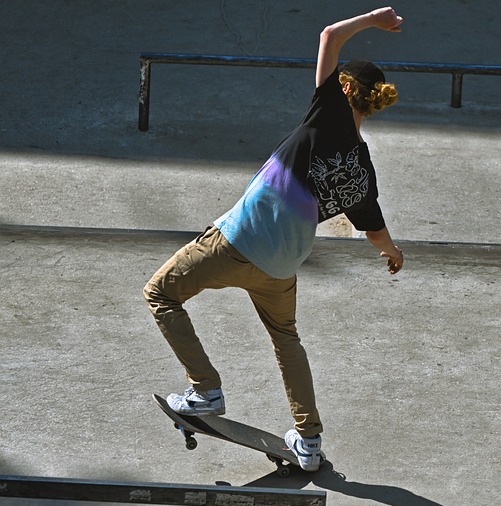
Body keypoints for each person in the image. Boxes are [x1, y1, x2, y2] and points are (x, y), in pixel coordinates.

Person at [143, 7, 405, 472]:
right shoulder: (362, 171)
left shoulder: (328, 115)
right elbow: (374, 229)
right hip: (282, 266)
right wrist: (392, 254)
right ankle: (308, 442)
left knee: (160, 293)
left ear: (344, 90)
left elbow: (329, 35)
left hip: (237, 241)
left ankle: (204, 388)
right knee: (287, 340)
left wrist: (373, 19)